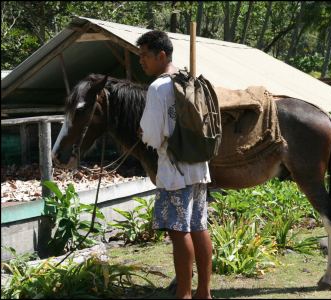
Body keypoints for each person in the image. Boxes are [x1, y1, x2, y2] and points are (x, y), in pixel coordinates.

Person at [136, 30, 213, 299]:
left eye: (145, 56)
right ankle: (204, 291)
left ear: (161, 55)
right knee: (199, 226)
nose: (141, 61)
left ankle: (184, 294)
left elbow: (153, 136)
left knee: (178, 230)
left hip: (174, 170)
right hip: (199, 167)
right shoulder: (191, 80)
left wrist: (143, 135)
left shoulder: (158, 88)